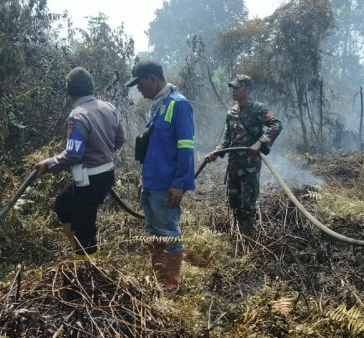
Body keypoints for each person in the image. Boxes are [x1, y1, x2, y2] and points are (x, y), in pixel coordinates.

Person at [36, 67, 125, 260]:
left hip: (89, 179)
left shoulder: (77, 116)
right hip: (105, 175)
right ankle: (76, 249)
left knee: (84, 227)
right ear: (91, 87)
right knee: (62, 203)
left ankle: (87, 270)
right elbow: (119, 140)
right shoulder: (109, 107)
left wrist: (49, 163)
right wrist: (102, 153)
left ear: (70, 91)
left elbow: (74, 154)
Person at [125, 59, 195, 296]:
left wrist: (179, 184)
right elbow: (154, 148)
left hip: (167, 185)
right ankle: (157, 273)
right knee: (153, 230)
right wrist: (144, 179)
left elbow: (186, 148)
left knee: (168, 232)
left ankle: (172, 280)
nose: (139, 90)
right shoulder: (157, 106)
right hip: (151, 183)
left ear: (152, 80)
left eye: (140, 84)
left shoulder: (179, 105)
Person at [204, 75, 281, 236]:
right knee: (234, 202)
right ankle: (236, 235)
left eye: (237, 88)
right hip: (233, 165)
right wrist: (216, 152)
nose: (233, 91)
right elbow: (227, 138)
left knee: (248, 205)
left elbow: (277, 124)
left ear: (247, 89)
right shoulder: (231, 112)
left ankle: (248, 239)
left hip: (250, 167)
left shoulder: (259, 109)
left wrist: (260, 142)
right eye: (232, 88)